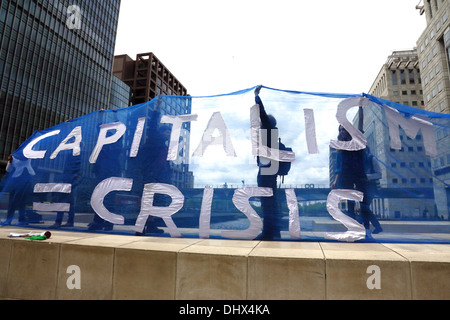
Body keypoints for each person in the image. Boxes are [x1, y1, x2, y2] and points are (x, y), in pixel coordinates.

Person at [331, 125, 381, 238]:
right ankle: (353, 230)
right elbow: (338, 167)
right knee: (350, 205)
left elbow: (361, 126)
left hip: (359, 176)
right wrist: (335, 180)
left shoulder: (356, 143)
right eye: (340, 129)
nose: (342, 131)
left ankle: (367, 230)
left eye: (344, 129)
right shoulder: (340, 148)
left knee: (363, 204)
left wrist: (360, 108)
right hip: (346, 177)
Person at [254, 86, 281, 240]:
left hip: (266, 171)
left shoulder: (268, 130)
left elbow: (261, 113)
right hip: (270, 170)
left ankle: (268, 233)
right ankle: (273, 231)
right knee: (271, 201)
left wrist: (256, 97)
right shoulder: (271, 133)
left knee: (267, 202)